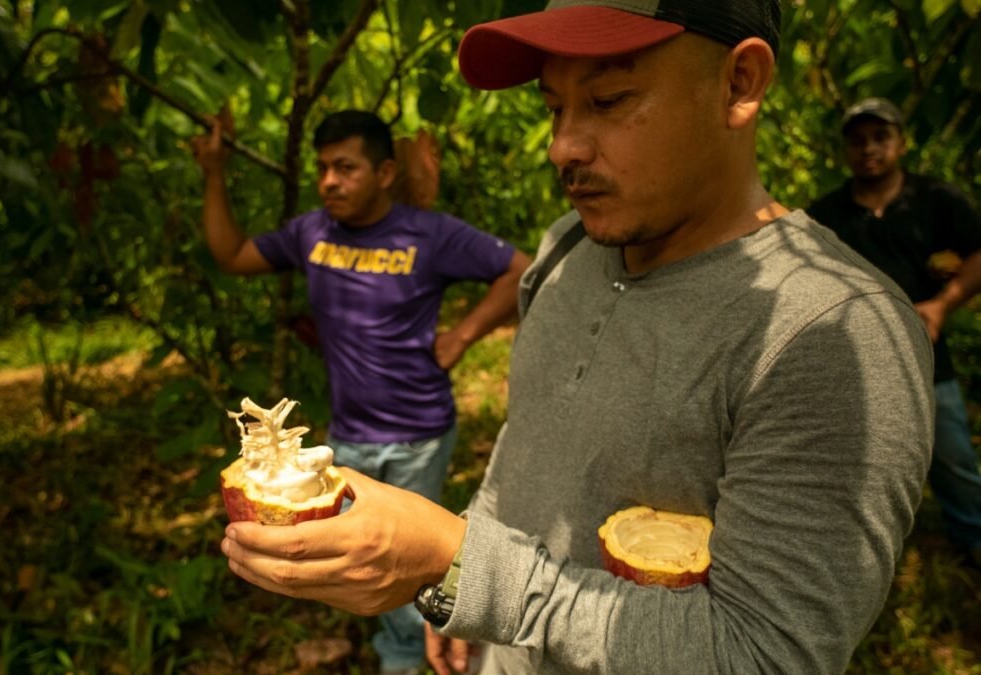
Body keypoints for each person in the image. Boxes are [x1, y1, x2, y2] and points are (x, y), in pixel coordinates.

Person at [218, 2, 936, 673]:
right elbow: (529, 443)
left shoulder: (831, 333)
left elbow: (764, 652)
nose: (563, 146)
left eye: (608, 100)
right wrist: (463, 573)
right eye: (554, 105)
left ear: (739, 84)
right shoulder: (568, 248)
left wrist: (458, 563)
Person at [191, 109, 531, 674]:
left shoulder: (430, 234)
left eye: (345, 167)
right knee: (363, 560)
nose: (329, 181)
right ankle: (424, 651)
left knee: (401, 561)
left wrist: (462, 336)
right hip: (346, 440)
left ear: (386, 172)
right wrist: (213, 173)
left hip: (418, 433)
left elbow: (521, 270)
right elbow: (231, 256)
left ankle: (429, 657)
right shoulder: (311, 233)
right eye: (323, 168)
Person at [808, 97, 981, 569]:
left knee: (951, 455)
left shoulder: (935, 201)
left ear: (901, 144)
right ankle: (859, 556)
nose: (869, 149)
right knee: (852, 463)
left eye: (880, 137)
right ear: (846, 150)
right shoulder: (827, 215)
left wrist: (942, 305)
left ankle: (970, 536)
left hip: (926, 354)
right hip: (855, 364)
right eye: (858, 140)